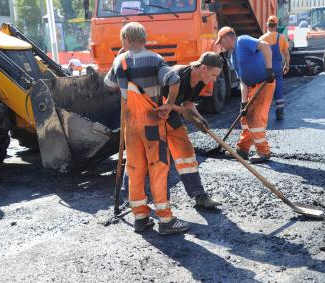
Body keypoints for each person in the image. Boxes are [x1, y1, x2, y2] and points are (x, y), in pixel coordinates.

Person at [104, 22, 190, 235]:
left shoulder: (119, 61)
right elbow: (174, 78)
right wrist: (169, 104)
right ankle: (165, 220)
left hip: (131, 126)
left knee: (134, 169)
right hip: (152, 124)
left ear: (126, 39)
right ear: (144, 39)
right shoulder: (155, 59)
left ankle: (140, 218)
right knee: (158, 169)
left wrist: (122, 59)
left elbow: (109, 84)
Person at [161, 52, 223, 209]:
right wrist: (182, 111)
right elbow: (164, 104)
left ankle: (199, 195)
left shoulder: (201, 80)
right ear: (203, 68)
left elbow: (188, 102)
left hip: (170, 114)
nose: (215, 79)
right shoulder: (177, 76)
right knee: (155, 161)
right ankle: (138, 201)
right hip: (155, 114)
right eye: (214, 74)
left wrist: (199, 117)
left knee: (186, 154)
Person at [215, 27, 276, 163]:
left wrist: (269, 70)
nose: (221, 45)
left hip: (264, 83)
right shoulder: (233, 56)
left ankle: (263, 152)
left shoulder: (242, 41)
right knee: (245, 118)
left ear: (227, 38)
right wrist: (243, 103)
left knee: (255, 118)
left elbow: (265, 46)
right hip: (251, 88)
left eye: (221, 41)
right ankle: (242, 150)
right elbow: (242, 80)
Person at [259, 15, 290, 121]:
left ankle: (264, 114)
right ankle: (280, 112)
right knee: (279, 88)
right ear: (276, 26)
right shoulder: (281, 38)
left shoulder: (262, 39)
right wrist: (287, 65)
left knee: (265, 91)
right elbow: (286, 53)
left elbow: (258, 56)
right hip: (277, 68)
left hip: (265, 69)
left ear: (267, 26)